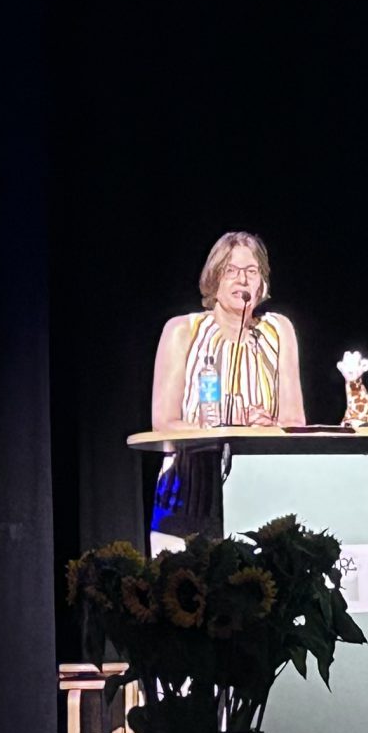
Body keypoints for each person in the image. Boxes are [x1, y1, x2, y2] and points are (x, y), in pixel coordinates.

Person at [148, 232, 305, 542]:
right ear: (214, 278)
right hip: (188, 494)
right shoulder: (183, 330)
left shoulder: (278, 330)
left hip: (262, 493)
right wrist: (217, 429)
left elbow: (295, 421)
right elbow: (163, 423)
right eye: (231, 270)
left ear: (262, 283)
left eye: (251, 271)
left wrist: (268, 426)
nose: (242, 280)